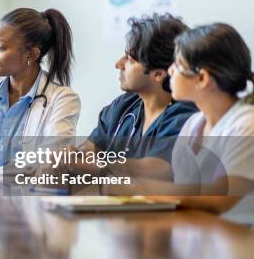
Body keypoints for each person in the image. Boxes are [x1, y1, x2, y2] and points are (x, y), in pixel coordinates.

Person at [63, 13, 198, 181]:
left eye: (130, 59)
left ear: (158, 74)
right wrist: (69, 157)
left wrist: (97, 165)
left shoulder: (185, 116)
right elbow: (86, 153)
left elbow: (158, 169)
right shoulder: (123, 106)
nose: (118, 64)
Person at [0, 7, 81, 175]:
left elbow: (49, 162)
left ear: (31, 54)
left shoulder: (63, 100)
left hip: (25, 199)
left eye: (1, 48)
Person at [157, 23, 254, 212]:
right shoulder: (192, 125)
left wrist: (144, 189)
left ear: (202, 78)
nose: (170, 70)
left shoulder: (247, 126)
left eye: (177, 64)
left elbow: (219, 199)